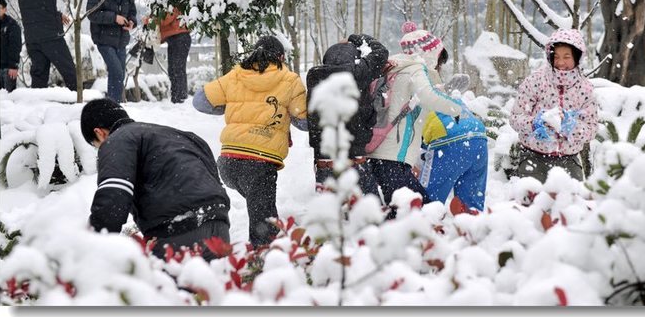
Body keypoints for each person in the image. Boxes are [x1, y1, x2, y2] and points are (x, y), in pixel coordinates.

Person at [81, 98, 231, 262]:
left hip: (177, 231)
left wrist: (92, 246)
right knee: (207, 286)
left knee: (164, 287)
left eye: (96, 145)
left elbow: (114, 197)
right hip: (219, 227)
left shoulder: (118, 139)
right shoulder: (182, 136)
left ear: (99, 133)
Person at [193, 35, 307, 247]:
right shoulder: (290, 80)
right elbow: (304, 121)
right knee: (264, 231)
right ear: (281, 57)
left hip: (228, 163)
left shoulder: (236, 74)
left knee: (261, 211)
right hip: (258, 164)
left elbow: (200, 102)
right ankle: (262, 266)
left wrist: (233, 106)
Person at [365, 22, 471, 214]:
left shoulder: (393, 68)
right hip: (393, 158)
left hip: (378, 154)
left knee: (407, 211)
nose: (439, 66)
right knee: (421, 212)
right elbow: (428, 97)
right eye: (439, 60)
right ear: (430, 54)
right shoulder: (415, 69)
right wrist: (456, 109)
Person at [509, 28, 598, 183]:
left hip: (569, 160)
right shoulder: (535, 81)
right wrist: (535, 124)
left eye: (566, 56)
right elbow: (515, 117)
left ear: (577, 57)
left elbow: (592, 129)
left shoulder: (585, 89)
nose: (560, 62)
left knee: (571, 203)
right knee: (532, 202)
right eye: (556, 56)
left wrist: (572, 127)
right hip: (533, 156)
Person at [306, 34, 389, 196]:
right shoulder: (357, 72)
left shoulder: (313, 75)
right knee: (367, 212)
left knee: (328, 213)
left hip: (325, 158)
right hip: (355, 154)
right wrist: (357, 38)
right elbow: (381, 52)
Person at [417, 68, 489, 213]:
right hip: (478, 136)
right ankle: (472, 224)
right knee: (471, 195)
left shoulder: (419, 101)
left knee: (430, 197)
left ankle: (428, 224)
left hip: (449, 141)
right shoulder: (451, 98)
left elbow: (418, 146)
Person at [17, 0, 85, 90]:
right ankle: (81, 103)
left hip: (32, 38)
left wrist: (56, 15)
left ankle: (36, 107)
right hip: (50, 37)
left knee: (39, 77)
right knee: (70, 73)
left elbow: (34, 7)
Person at [87, 0, 137, 103]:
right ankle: (113, 104)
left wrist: (132, 22)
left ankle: (114, 103)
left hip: (121, 40)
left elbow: (133, 12)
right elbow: (91, 14)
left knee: (119, 73)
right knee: (116, 71)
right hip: (104, 39)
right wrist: (114, 18)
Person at [158, 8, 192, 103]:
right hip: (175, 37)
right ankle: (176, 98)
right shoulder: (165, 1)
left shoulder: (171, 0)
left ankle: (180, 98)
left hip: (180, 36)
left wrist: (151, 20)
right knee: (173, 70)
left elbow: (166, 18)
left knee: (177, 69)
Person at [0, 0, 22, 92]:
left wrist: (13, 66)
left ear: (4, 9)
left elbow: (15, 46)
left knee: (8, 100)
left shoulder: (12, 25)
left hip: (7, 69)